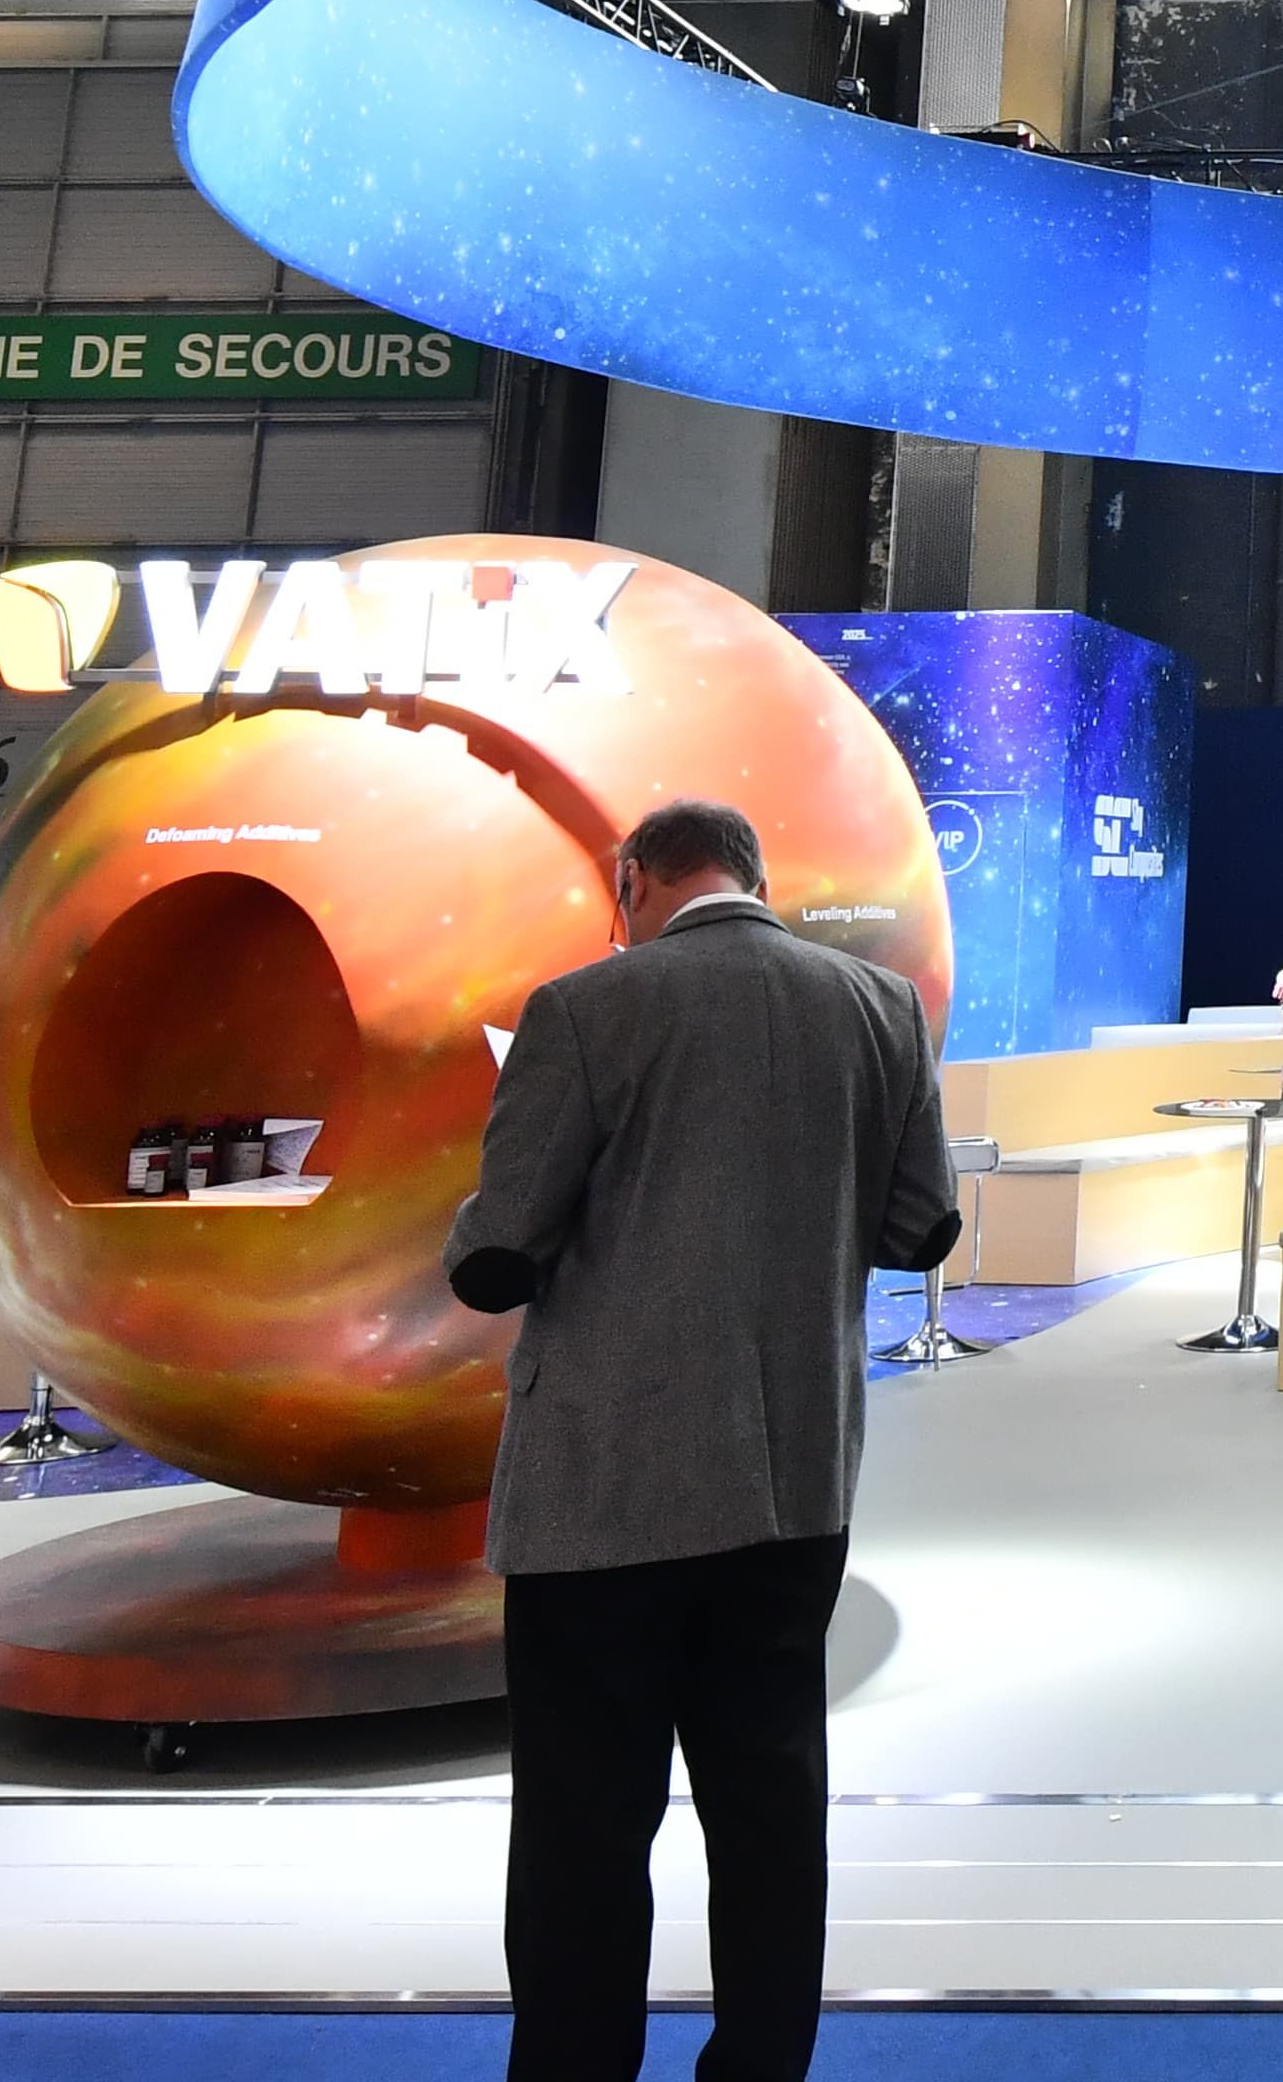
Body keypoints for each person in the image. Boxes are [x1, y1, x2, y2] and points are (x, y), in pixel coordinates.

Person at [448, 798, 967, 2082]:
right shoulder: (878, 1008)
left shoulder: (583, 1010)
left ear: (634, 880)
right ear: (752, 875)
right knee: (771, 1812)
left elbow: (497, 1252)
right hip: (792, 1483)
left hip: (602, 1497)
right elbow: (921, 1226)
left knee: (583, 1832)